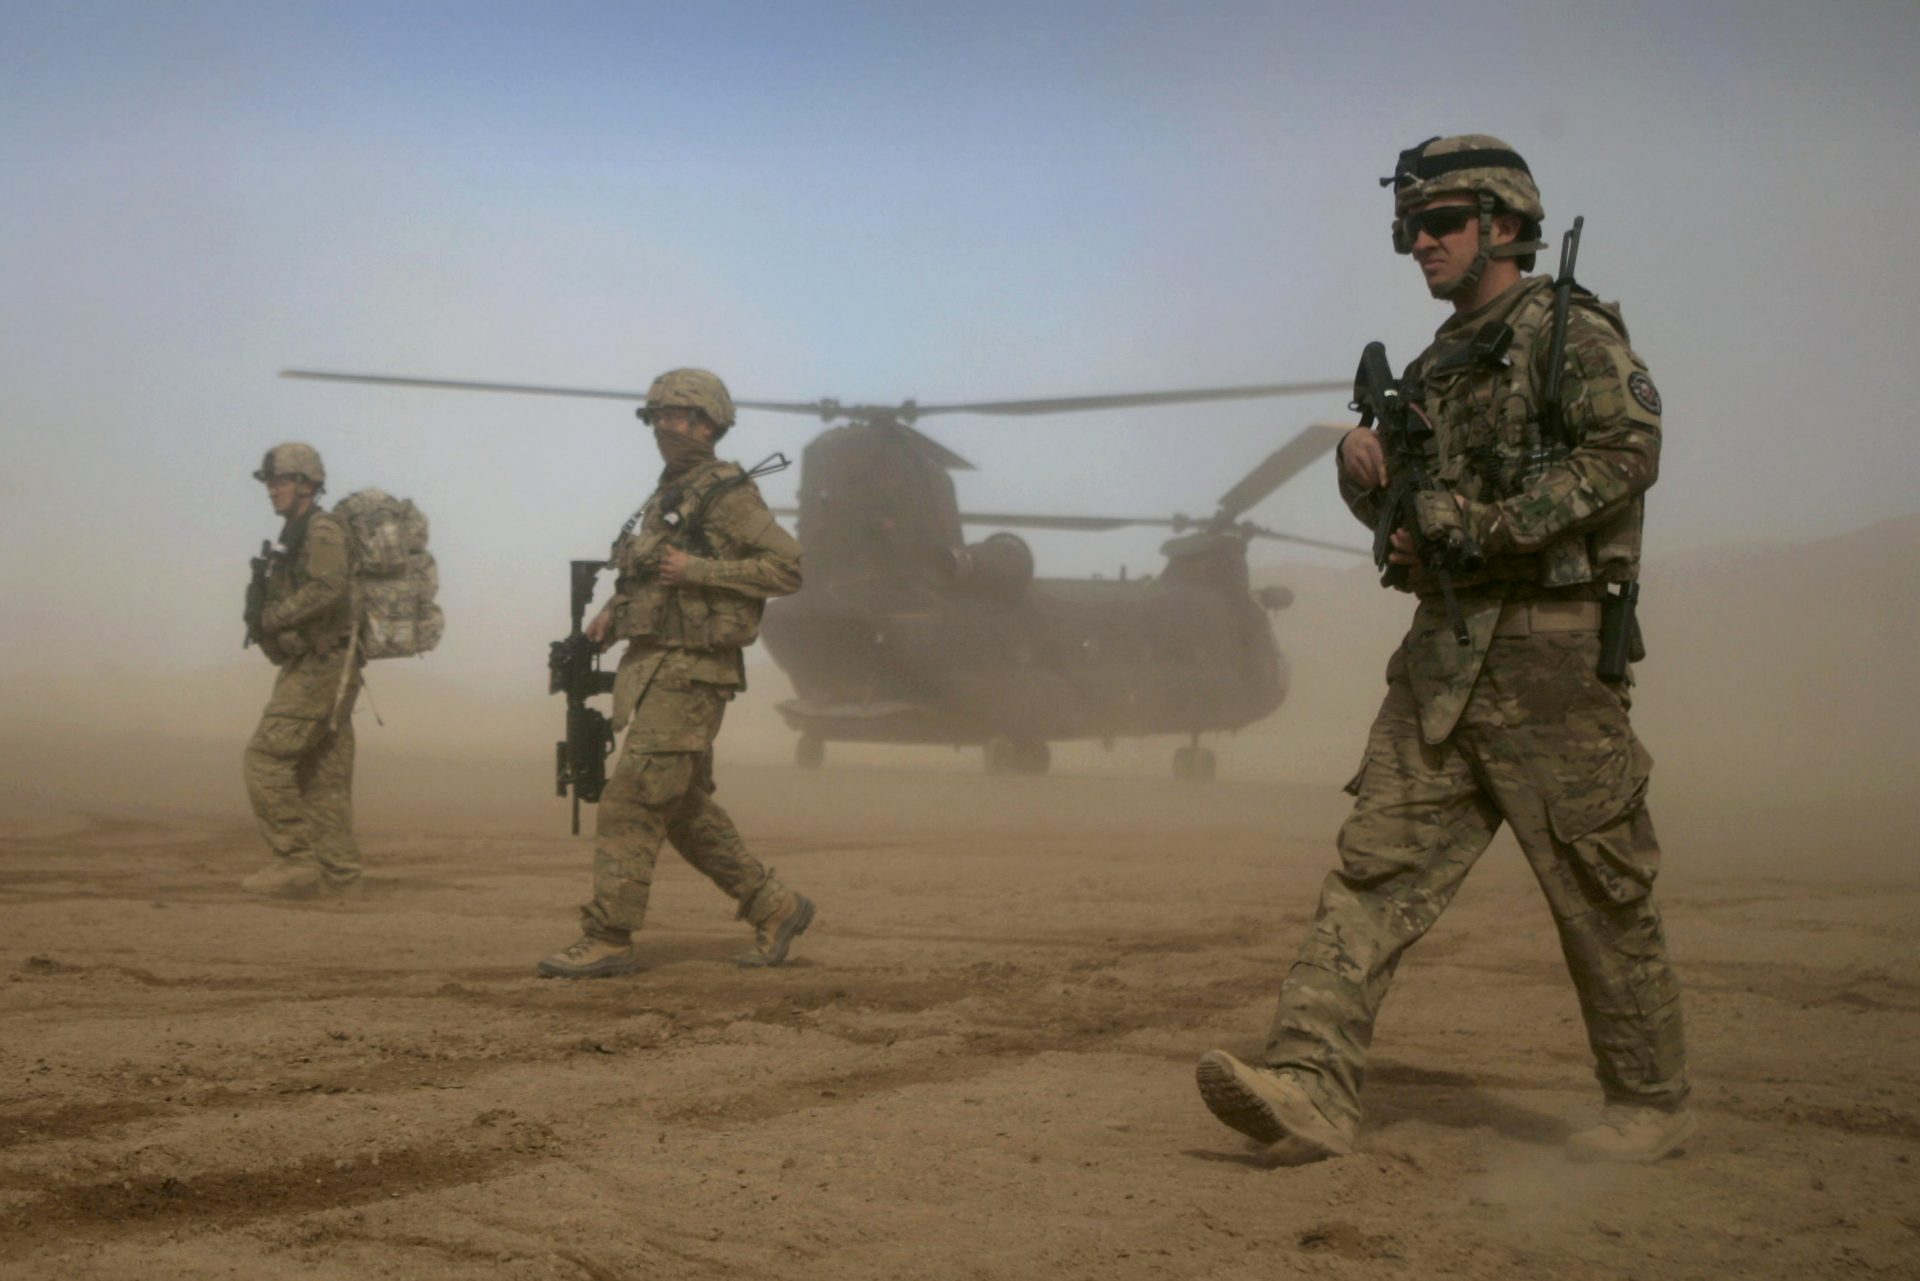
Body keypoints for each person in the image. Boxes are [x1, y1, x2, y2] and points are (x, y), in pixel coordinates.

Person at [1197, 135, 1692, 1164]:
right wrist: (1361, 469)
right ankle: (1310, 1085)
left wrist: (1485, 524)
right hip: (1443, 658)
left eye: (1442, 223)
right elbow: (1410, 520)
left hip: (1551, 659)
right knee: (1371, 876)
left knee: (1600, 893)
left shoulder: (1570, 335)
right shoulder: (1433, 368)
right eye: (1410, 226)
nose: (1419, 242)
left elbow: (1626, 454)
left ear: (1504, 226)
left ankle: (1648, 1104)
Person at [539, 368, 817, 977]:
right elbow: (649, 574)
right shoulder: (669, 494)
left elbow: (789, 569)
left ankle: (609, 935)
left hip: (694, 672)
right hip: (654, 665)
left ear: (710, 425)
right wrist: (614, 611)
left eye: (682, 417)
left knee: (632, 800)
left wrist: (699, 572)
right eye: (659, 417)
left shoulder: (730, 493)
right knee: (683, 810)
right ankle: (776, 906)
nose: (669, 427)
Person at [241, 442, 363, 897]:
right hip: (328, 665)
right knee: (323, 779)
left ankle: (294, 859)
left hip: (321, 665)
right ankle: (342, 882)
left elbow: (328, 586)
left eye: (281, 481)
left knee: (265, 758)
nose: (272, 490)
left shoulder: (321, 529)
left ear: (308, 485)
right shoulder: (295, 532)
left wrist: (276, 618)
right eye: (270, 482)